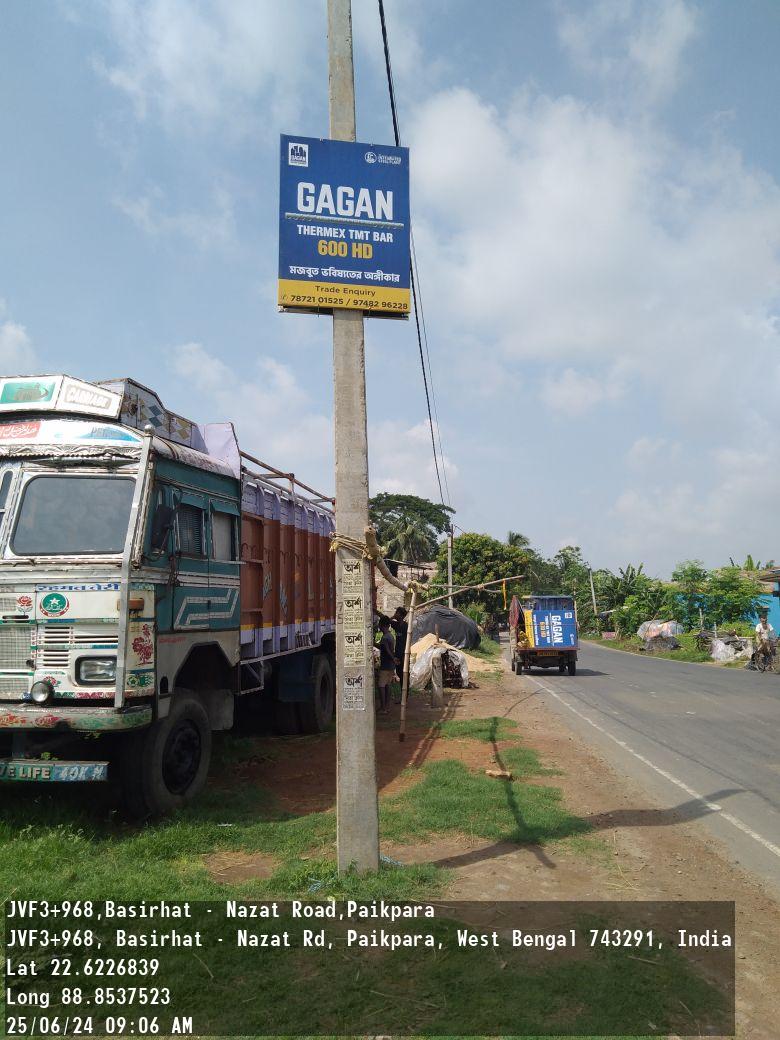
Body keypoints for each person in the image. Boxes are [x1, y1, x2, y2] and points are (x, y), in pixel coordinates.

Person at [377, 617, 398, 715]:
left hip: (386, 665)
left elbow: (387, 650)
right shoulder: (390, 636)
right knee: (387, 685)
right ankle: (387, 706)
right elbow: (387, 648)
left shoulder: (385, 637)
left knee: (381, 686)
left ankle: (383, 707)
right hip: (390, 665)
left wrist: (392, 658)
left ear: (381, 625)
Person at [390, 606, 408, 683]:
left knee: (404, 672)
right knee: (399, 672)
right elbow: (388, 621)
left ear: (401, 615)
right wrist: (393, 616)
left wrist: (405, 654)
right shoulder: (396, 625)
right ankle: (402, 688)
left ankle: (405, 689)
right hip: (397, 652)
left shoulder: (405, 626)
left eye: (396, 613)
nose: (395, 614)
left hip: (404, 653)